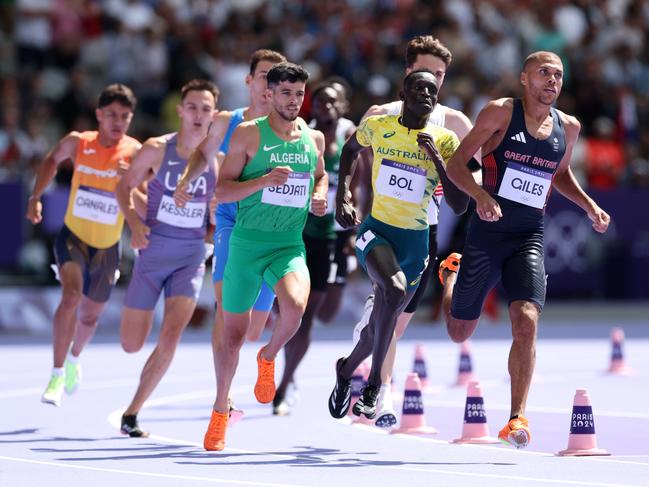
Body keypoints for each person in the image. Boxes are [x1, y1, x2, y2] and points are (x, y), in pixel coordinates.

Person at [440, 51, 611, 449]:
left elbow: (560, 174)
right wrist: (481, 195)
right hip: (487, 234)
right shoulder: (499, 113)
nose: (552, 80)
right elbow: (455, 164)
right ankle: (450, 275)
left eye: (558, 75)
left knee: (526, 316)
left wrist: (589, 206)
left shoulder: (568, 127)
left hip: (528, 236)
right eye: (544, 73)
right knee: (458, 332)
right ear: (524, 79)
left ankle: (516, 417)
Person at [181, 62, 327, 451]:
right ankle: (219, 411)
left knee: (296, 306)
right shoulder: (248, 135)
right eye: (286, 93)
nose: (293, 100)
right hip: (246, 245)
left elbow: (321, 174)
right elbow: (223, 191)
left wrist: (320, 193)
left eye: (299, 94)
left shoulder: (313, 139)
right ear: (269, 94)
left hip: (288, 244)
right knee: (232, 337)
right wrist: (263, 180)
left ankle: (268, 356)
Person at [352, 35, 480, 427]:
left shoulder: (454, 122)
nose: (435, 82)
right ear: (408, 72)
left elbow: (479, 170)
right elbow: (358, 165)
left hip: (424, 229)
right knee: (389, 306)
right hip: (381, 227)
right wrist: (353, 210)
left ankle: (367, 353)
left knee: (398, 320)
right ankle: (382, 395)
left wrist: (453, 176)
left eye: (441, 75)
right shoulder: (380, 114)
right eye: (427, 72)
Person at [328, 69, 468, 421]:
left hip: (415, 242)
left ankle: (346, 369)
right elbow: (349, 151)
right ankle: (374, 385)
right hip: (376, 231)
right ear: (403, 91)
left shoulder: (445, 139)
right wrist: (343, 195)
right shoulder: (379, 125)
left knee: (380, 323)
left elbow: (459, 204)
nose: (425, 93)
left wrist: (438, 160)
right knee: (392, 290)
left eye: (432, 90)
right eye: (418, 87)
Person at [174, 49, 287, 419]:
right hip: (231, 222)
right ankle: (223, 398)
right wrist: (186, 181)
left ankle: (262, 357)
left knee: (253, 330)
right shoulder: (227, 121)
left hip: (270, 230)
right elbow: (204, 153)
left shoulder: (287, 126)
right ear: (250, 81)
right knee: (226, 315)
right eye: (264, 76)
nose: (269, 85)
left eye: (276, 78)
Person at [114, 79, 219, 437]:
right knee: (131, 344)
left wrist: (216, 225)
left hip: (190, 257)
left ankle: (132, 412)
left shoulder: (218, 161)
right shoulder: (157, 149)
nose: (198, 114)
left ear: (214, 115)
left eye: (206, 109)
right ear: (180, 110)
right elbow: (122, 187)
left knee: (172, 334)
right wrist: (134, 224)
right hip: (153, 252)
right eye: (192, 107)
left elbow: (217, 218)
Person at [26, 84, 140, 407]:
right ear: (99, 115)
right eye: (112, 115)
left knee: (90, 317)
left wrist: (131, 180)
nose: (118, 122)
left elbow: (147, 195)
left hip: (108, 248)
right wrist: (35, 198)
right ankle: (57, 373)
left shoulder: (135, 152)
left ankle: (75, 358)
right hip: (73, 237)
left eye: (125, 117)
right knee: (71, 295)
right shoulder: (79, 142)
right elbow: (51, 160)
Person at [273, 82, 356, 415]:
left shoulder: (352, 136)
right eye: (320, 101)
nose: (326, 106)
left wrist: (353, 225)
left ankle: (287, 373)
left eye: (333, 101)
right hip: (297, 234)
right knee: (299, 316)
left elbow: (361, 183)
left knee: (325, 313)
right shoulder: (301, 134)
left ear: (344, 105)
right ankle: (284, 383)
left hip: (333, 237)